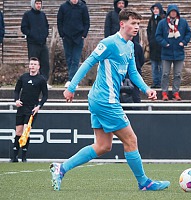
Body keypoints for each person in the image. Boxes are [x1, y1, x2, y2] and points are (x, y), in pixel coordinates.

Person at [50, 8, 170, 191]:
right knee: (131, 140)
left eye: (138, 24)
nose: (136, 27)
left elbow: (133, 72)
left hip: (101, 100)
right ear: (122, 24)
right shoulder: (109, 43)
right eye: (133, 23)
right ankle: (144, 182)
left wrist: (146, 89)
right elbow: (89, 62)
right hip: (106, 101)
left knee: (103, 145)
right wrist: (71, 87)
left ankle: (61, 168)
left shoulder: (129, 46)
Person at [11, 57, 48, 162]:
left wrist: (39, 106)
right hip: (21, 108)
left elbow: (45, 96)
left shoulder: (41, 80)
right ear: (29, 65)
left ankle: (24, 157)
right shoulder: (23, 77)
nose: (32, 66)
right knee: (18, 132)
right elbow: (16, 90)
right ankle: (14, 157)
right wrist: (16, 100)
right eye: (31, 64)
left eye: (35, 64)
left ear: (38, 67)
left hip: (32, 109)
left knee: (26, 131)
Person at [156, 4, 191, 101]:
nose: (173, 13)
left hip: (179, 53)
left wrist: (184, 42)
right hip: (166, 53)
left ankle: (176, 92)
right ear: (168, 12)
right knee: (165, 74)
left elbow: (188, 33)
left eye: (175, 11)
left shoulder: (183, 22)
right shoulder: (162, 23)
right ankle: (164, 92)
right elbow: (158, 36)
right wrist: (164, 43)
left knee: (178, 74)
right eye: (171, 11)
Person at [57, 0, 90, 88]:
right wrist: (62, 34)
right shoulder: (63, 7)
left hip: (79, 37)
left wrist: (84, 34)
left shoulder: (82, 7)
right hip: (67, 37)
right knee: (69, 59)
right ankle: (72, 79)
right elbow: (59, 21)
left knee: (75, 59)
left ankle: (72, 80)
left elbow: (86, 22)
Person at [21, 0, 51, 89]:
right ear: (33, 4)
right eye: (37, 3)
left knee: (45, 63)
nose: (38, 5)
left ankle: (44, 81)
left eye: (40, 3)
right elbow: (24, 28)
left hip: (42, 43)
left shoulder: (42, 15)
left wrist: (45, 35)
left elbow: (46, 26)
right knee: (34, 63)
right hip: (33, 43)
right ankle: (34, 81)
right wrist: (31, 35)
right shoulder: (27, 15)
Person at [147, 3, 165, 88]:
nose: (155, 10)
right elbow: (148, 31)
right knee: (154, 66)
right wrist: (150, 40)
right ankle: (155, 82)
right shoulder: (151, 20)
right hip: (153, 47)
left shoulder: (163, 19)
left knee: (161, 67)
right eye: (154, 9)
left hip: (161, 47)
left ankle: (161, 83)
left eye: (157, 9)